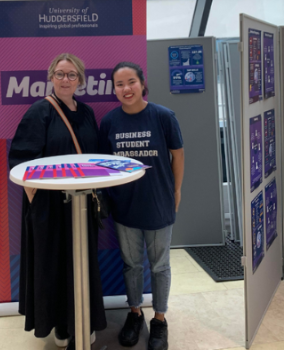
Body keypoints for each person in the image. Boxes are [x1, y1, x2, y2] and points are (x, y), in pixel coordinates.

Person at [9, 53, 107, 349]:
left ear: (81, 80)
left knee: (82, 263)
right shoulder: (39, 112)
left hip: (82, 204)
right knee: (53, 264)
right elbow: (22, 160)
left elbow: (96, 156)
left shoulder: (88, 112)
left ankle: (84, 320)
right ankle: (61, 326)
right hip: (49, 208)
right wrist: (37, 201)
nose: (66, 80)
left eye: (72, 75)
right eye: (61, 74)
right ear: (51, 77)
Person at [99, 62, 184, 350]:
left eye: (131, 82)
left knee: (160, 266)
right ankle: (135, 313)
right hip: (124, 207)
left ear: (142, 83)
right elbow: (105, 165)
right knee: (131, 265)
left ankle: (159, 320)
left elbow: (178, 155)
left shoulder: (163, 116)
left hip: (159, 204)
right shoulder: (110, 122)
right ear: (114, 89)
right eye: (119, 84)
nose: (126, 88)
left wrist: (177, 189)